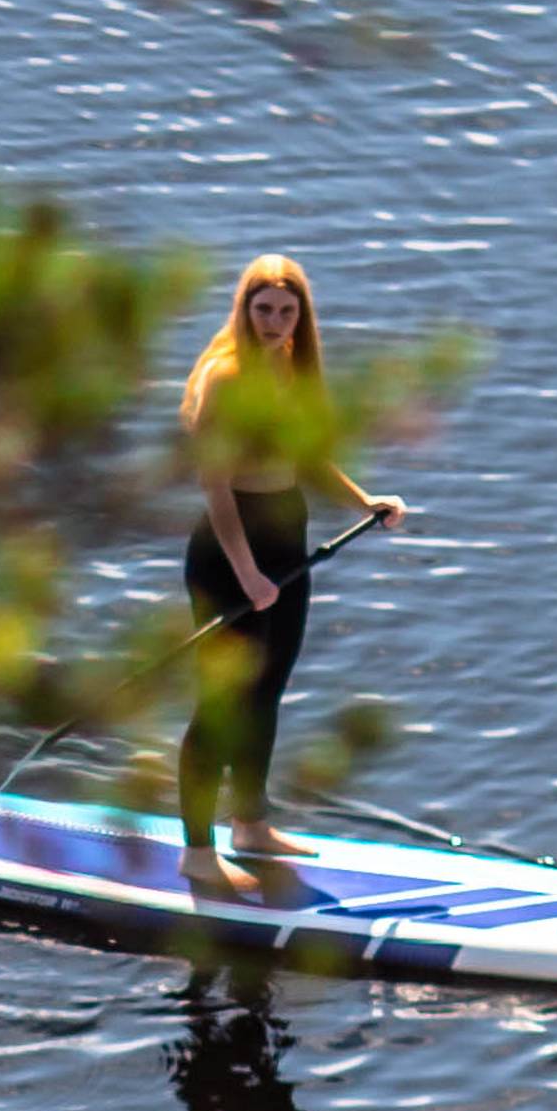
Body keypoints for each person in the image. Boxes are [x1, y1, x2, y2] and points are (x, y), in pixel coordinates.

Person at [174, 251, 411, 891]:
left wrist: (366, 501)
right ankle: (197, 850)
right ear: (245, 309)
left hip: (287, 537)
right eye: (263, 309)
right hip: (232, 550)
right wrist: (247, 572)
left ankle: (250, 825)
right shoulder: (225, 376)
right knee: (222, 702)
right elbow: (216, 486)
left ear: (301, 315)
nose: (275, 322)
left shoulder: (292, 370)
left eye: (286, 311)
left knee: (268, 690)